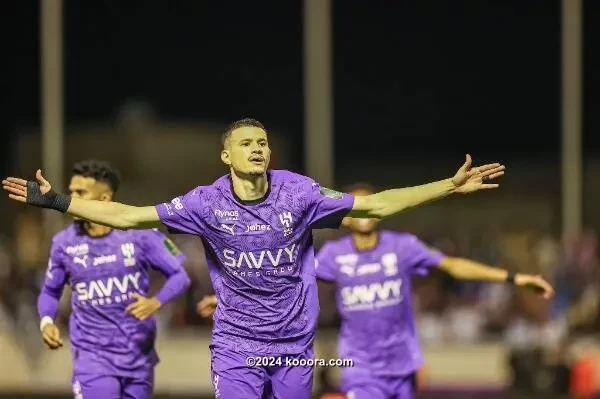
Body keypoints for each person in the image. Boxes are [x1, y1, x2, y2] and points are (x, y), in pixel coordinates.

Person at [4, 118, 505, 399]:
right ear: (227, 156)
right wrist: (57, 202)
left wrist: (448, 186)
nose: (258, 148)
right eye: (246, 143)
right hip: (237, 344)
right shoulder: (204, 203)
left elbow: (374, 205)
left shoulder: (301, 193)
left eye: (263, 142)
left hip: (294, 344)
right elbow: (134, 216)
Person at [36, 159, 190, 399]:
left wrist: (156, 302)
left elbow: (180, 276)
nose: (72, 198)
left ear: (105, 198)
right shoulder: (63, 243)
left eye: (81, 193)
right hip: (92, 357)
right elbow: (50, 291)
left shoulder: (141, 234)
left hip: (138, 356)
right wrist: (47, 321)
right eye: (71, 192)